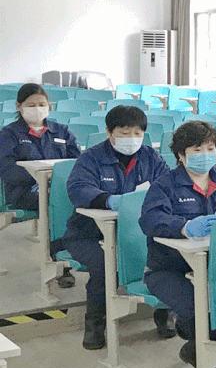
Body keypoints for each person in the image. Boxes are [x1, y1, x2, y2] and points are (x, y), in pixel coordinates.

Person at [140, 120, 216, 368]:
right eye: (197, 150)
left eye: (210, 148)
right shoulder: (165, 185)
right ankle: (195, 338)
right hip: (169, 268)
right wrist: (184, 226)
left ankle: (195, 346)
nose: (205, 155)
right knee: (198, 307)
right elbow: (150, 219)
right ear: (181, 155)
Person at [62, 105, 171, 350]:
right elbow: (78, 188)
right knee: (104, 265)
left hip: (136, 232)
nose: (131, 139)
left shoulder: (150, 157)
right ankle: (95, 323)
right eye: (124, 133)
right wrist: (108, 200)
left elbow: (168, 185)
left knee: (167, 256)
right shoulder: (91, 157)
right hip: (89, 233)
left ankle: (165, 313)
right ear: (109, 132)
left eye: (137, 133)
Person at [0, 83, 81, 286]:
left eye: (42, 104)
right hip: (23, 191)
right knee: (56, 203)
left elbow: (77, 162)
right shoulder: (9, 134)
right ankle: (61, 262)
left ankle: (81, 254)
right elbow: (7, 169)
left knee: (72, 199)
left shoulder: (61, 131)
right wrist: (40, 178)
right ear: (19, 106)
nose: (37, 109)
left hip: (58, 189)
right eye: (31, 105)